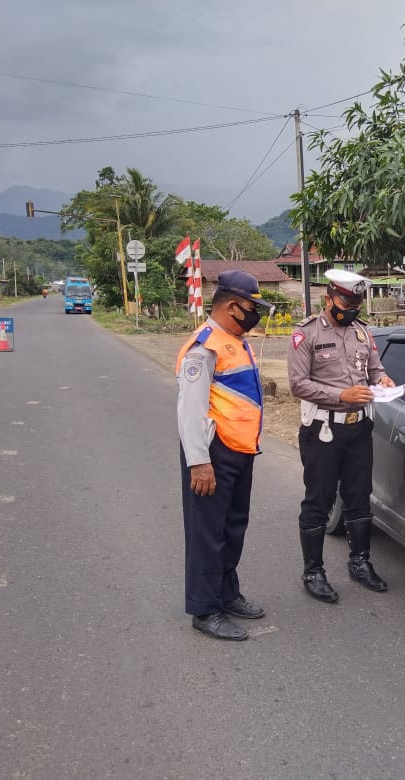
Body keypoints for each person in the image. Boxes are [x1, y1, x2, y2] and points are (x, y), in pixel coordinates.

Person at [287, 269, 396, 603]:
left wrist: (384, 379)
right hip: (324, 429)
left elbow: (374, 368)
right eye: (347, 301)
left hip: (359, 427)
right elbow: (297, 384)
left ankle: (360, 562)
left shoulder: (363, 333)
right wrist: (341, 395)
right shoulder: (305, 334)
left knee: (359, 496)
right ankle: (313, 571)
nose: (352, 308)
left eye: (357, 302)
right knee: (318, 500)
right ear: (329, 298)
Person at [176, 270, 273, 641]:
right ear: (232, 306)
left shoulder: (234, 339)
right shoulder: (204, 347)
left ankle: (227, 593)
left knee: (233, 527)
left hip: (239, 451)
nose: (256, 315)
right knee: (207, 533)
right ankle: (205, 608)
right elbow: (190, 411)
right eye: (252, 307)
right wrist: (199, 463)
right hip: (212, 454)